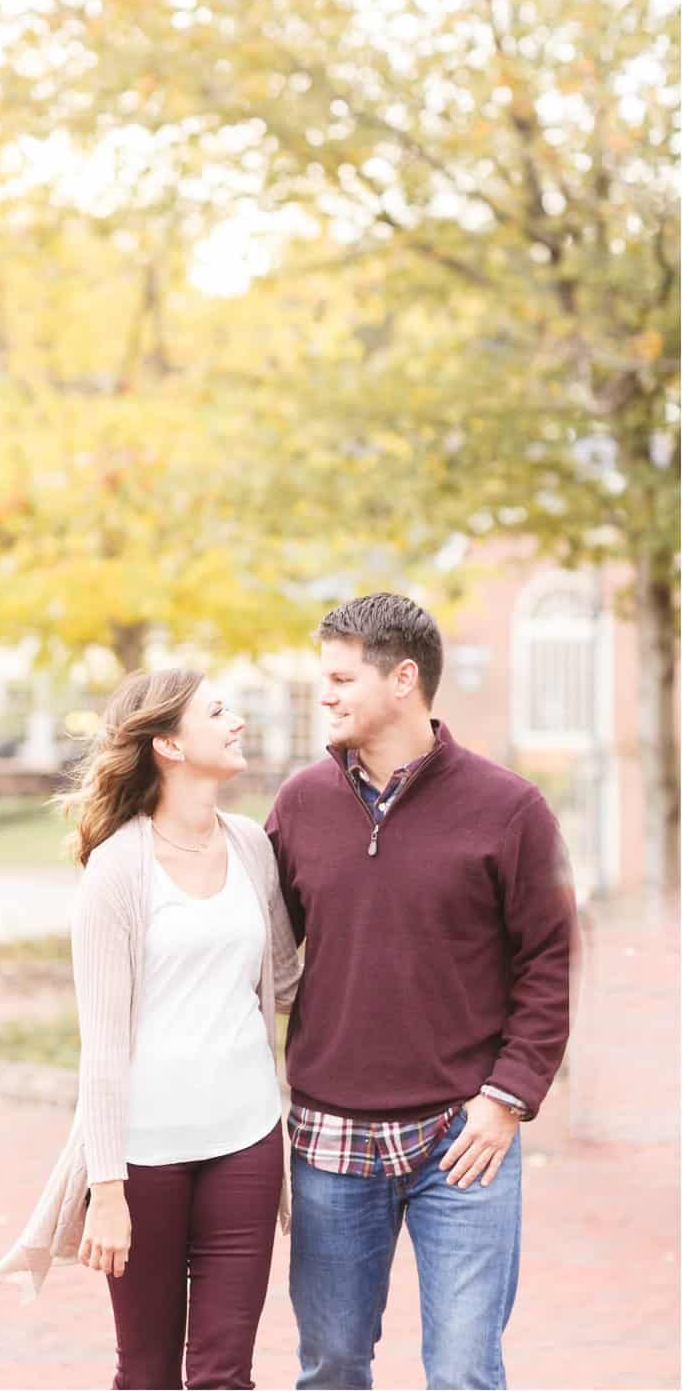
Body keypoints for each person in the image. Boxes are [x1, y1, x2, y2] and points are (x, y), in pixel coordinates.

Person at [265, 593, 579, 1391]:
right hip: (330, 1136)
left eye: (341, 678)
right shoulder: (300, 803)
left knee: (466, 1369)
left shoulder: (510, 808)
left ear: (404, 678)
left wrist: (508, 1096)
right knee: (332, 1365)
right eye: (322, 678)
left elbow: (548, 958)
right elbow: (259, 953)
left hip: (462, 1137)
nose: (325, 694)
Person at [0, 667, 301, 1391]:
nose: (236, 721)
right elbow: (101, 1050)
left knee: (227, 1375)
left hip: (247, 1141)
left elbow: (284, 980)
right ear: (168, 741)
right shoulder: (117, 871)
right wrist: (108, 1187)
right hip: (145, 1158)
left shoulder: (253, 846)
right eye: (217, 710)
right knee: (149, 1373)